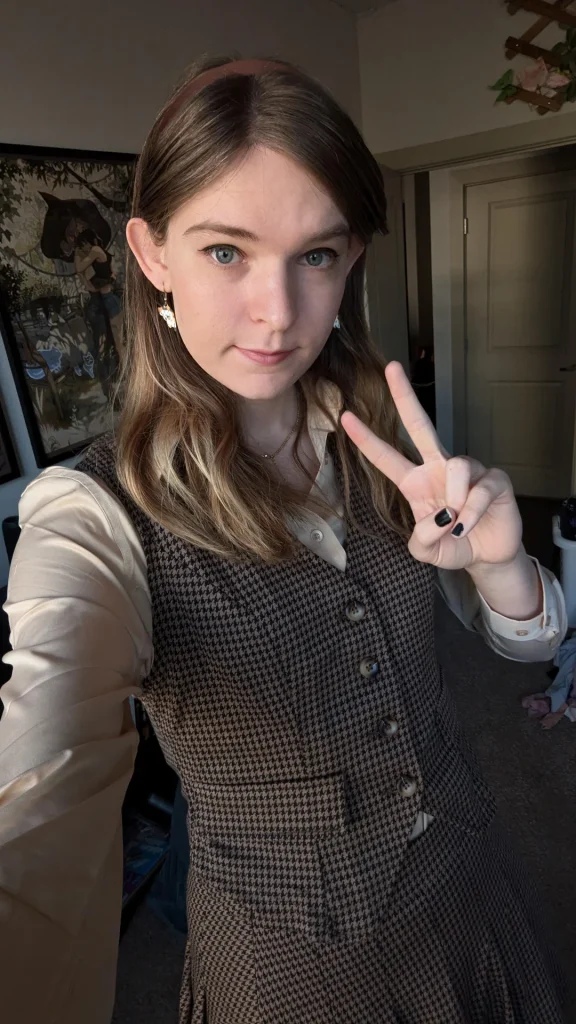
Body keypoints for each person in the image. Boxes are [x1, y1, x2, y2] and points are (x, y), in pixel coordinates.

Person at [0, 56, 569, 1024]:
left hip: (468, 879)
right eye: (226, 250)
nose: (277, 313)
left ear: (350, 260)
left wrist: (505, 565)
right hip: (293, 964)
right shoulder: (90, 515)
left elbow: (529, 644)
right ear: (152, 254)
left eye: (316, 255)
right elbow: (41, 794)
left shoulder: (383, 439)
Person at [74, 228, 123, 387]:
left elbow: (79, 268)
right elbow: (110, 273)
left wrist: (78, 254)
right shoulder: (97, 253)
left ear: (91, 241)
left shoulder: (95, 250)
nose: (85, 248)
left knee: (118, 340)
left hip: (108, 299)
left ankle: (124, 372)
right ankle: (119, 373)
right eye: (82, 246)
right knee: (113, 340)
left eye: (85, 244)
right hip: (104, 298)